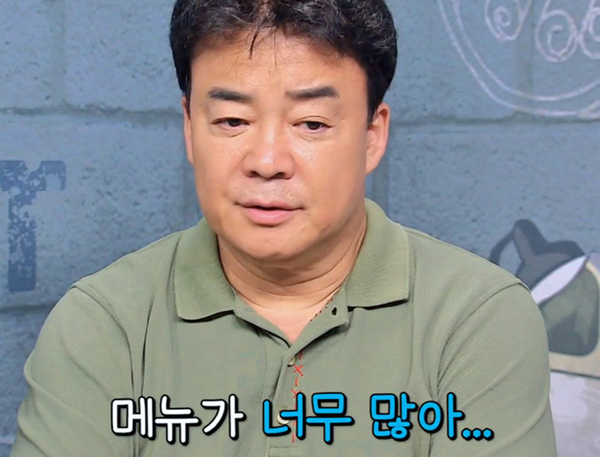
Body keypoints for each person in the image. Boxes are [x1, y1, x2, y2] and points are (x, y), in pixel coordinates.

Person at [10, 0, 557, 455]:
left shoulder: (476, 319)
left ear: (372, 135)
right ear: (190, 128)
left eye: (311, 123)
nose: (267, 161)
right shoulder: (105, 325)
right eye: (232, 121)